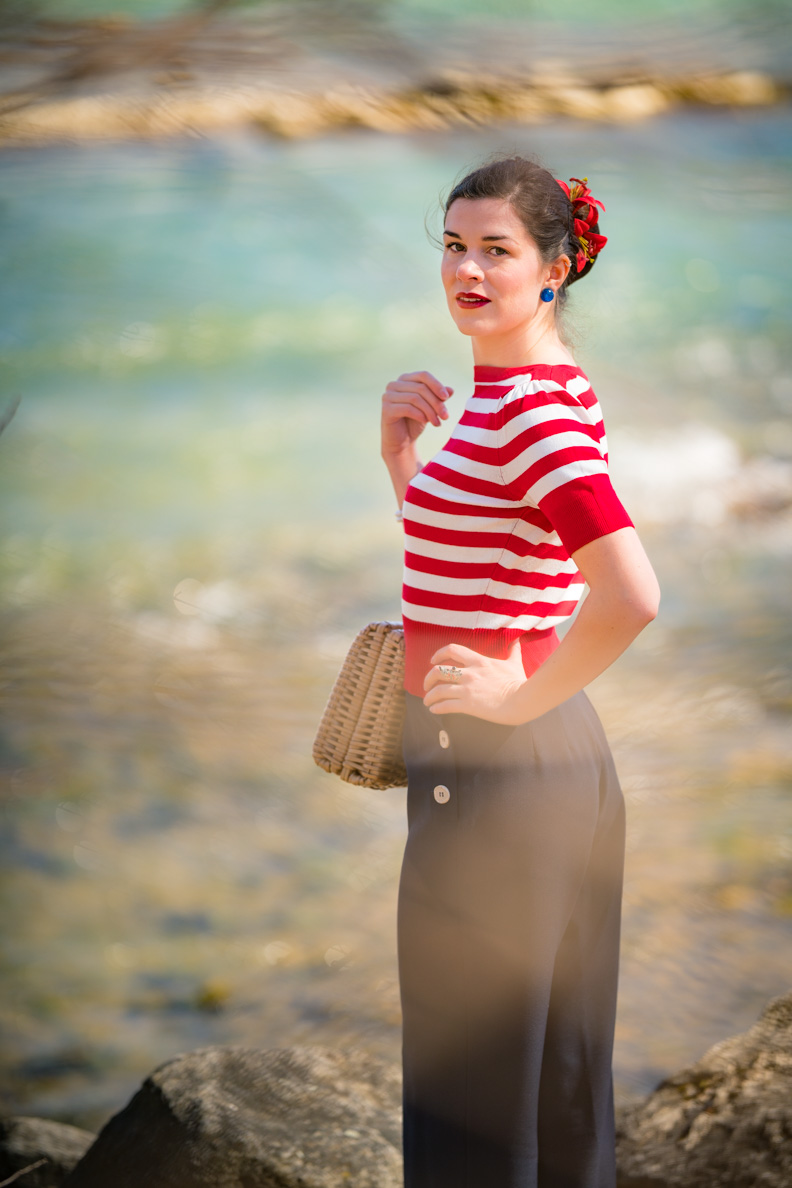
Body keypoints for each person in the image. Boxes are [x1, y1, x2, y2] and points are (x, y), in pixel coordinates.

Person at [379, 156, 660, 1188]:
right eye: (454, 245)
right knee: (550, 1087)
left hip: (500, 770)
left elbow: (631, 592)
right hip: (538, 766)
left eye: (498, 249)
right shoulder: (523, 396)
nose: (467, 268)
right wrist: (403, 461)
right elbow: (481, 559)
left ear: (555, 269)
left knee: (474, 1111)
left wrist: (515, 699)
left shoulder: (531, 417)